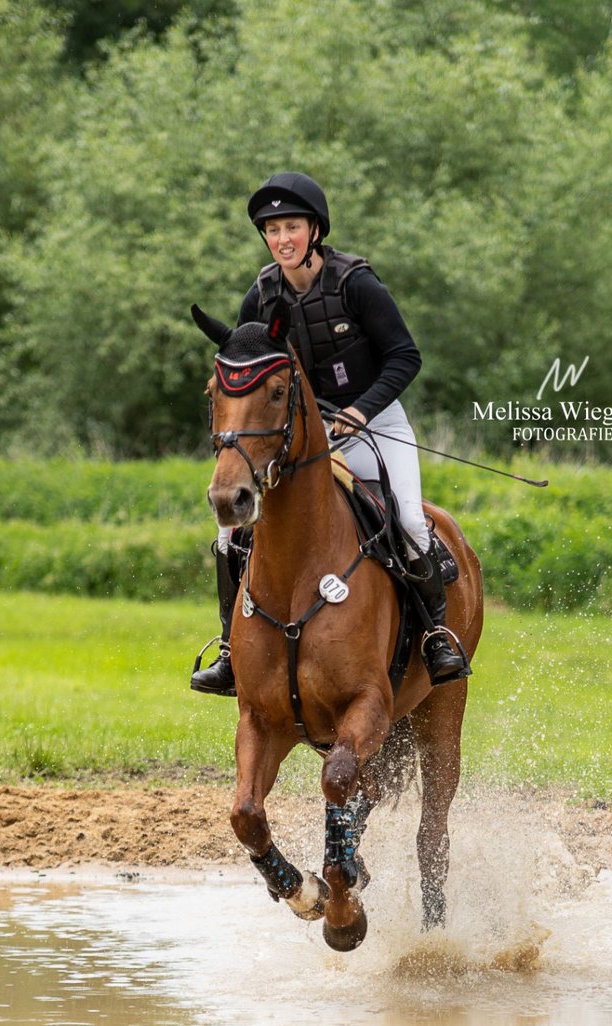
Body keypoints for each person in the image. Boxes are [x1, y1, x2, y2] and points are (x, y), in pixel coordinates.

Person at [192, 171, 468, 695]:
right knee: (231, 534)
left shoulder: (355, 283)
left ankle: (435, 636)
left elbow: (406, 356)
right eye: (272, 232)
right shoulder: (261, 296)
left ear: (314, 230)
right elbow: (252, 376)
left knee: (408, 520)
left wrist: (362, 411)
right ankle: (231, 650)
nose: (282, 240)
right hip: (301, 434)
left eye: (292, 227)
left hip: (375, 423)